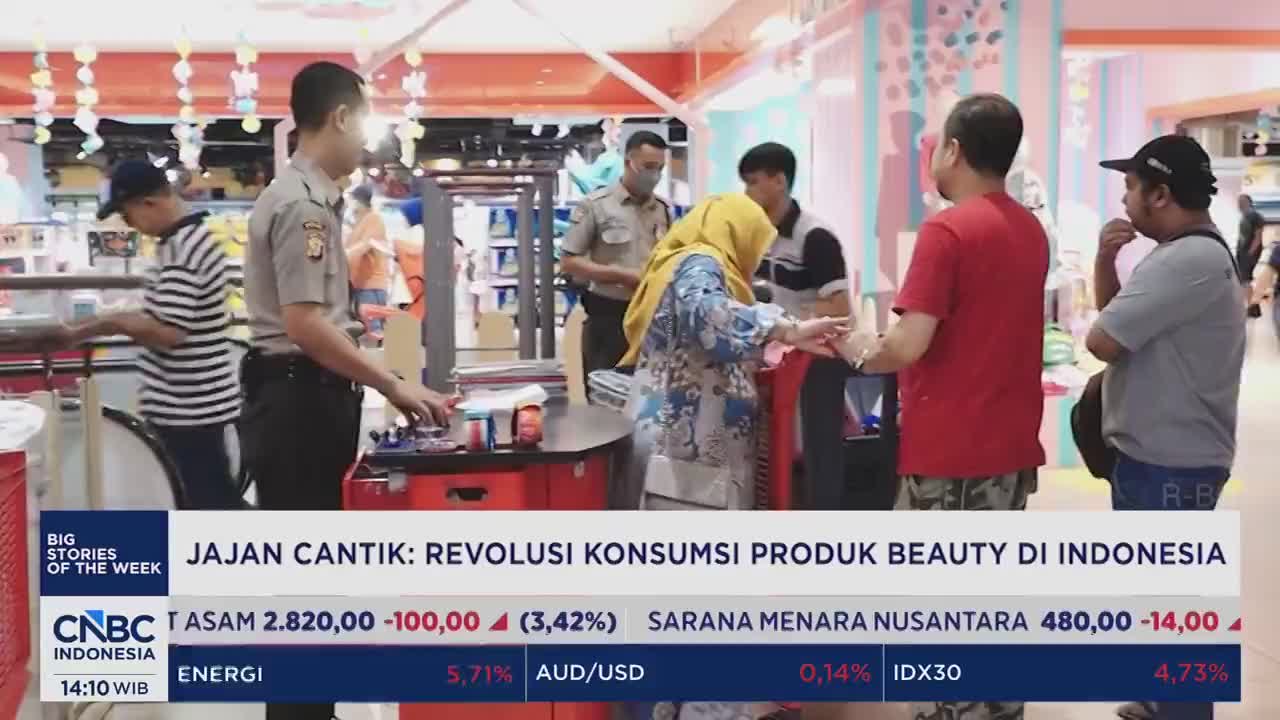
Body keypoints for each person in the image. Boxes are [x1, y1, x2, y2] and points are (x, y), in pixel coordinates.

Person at [240, 62, 451, 720]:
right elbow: (305, 325)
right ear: (338, 117)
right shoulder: (302, 204)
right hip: (299, 403)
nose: (366, 139)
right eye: (363, 122)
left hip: (303, 397)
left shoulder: (315, 199)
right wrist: (392, 383)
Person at [835, 94, 1047, 720]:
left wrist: (850, 347)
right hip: (1009, 447)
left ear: (953, 150)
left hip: (950, 452)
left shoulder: (947, 231)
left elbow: (905, 346)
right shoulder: (1029, 230)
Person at [620, 192, 846, 720]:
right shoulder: (700, 263)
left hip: (686, 464)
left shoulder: (689, 264)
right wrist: (785, 328)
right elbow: (711, 318)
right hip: (686, 469)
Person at [1088, 135, 1244, 720]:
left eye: (1131, 186)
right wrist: (1104, 261)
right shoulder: (1183, 254)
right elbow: (1119, 324)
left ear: (1160, 194)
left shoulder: (1187, 261)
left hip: (1170, 467)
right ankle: (1159, 700)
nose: (1124, 198)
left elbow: (1102, 339)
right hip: (1161, 459)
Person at [50, 160, 241, 509]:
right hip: (187, 404)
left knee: (208, 502)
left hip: (190, 408)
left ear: (148, 203)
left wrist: (102, 325)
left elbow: (168, 331)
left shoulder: (185, 248)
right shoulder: (180, 242)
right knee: (205, 496)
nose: (128, 225)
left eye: (127, 215)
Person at [739, 141, 852, 510]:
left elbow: (840, 308)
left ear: (779, 181)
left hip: (811, 363)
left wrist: (787, 317)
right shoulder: (756, 234)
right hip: (771, 360)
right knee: (773, 455)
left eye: (753, 182)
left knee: (813, 457)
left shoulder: (815, 237)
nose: (747, 192)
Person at [561, 129, 672, 379]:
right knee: (607, 393)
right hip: (609, 316)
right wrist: (618, 275)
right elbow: (569, 262)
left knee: (653, 392)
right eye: (648, 167)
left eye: (660, 168)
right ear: (628, 162)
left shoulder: (662, 210)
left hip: (652, 317)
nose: (654, 175)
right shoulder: (596, 206)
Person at [345, 183, 392, 333]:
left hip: (371, 285)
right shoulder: (359, 222)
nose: (349, 203)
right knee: (368, 329)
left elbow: (366, 244)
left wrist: (344, 256)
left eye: (351, 199)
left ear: (359, 201)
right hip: (361, 284)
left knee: (373, 329)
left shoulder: (373, 219)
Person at [1236, 193, 1266, 317]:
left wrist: (1250, 253)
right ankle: (1253, 309)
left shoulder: (1255, 216)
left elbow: (1258, 237)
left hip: (1249, 253)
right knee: (1244, 280)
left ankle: (1252, 309)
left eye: (1242, 201)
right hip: (1243, 253)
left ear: (1249, 202)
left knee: (1245, 280)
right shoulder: (1245, 216)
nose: (1239, 204)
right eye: (1238, 201)